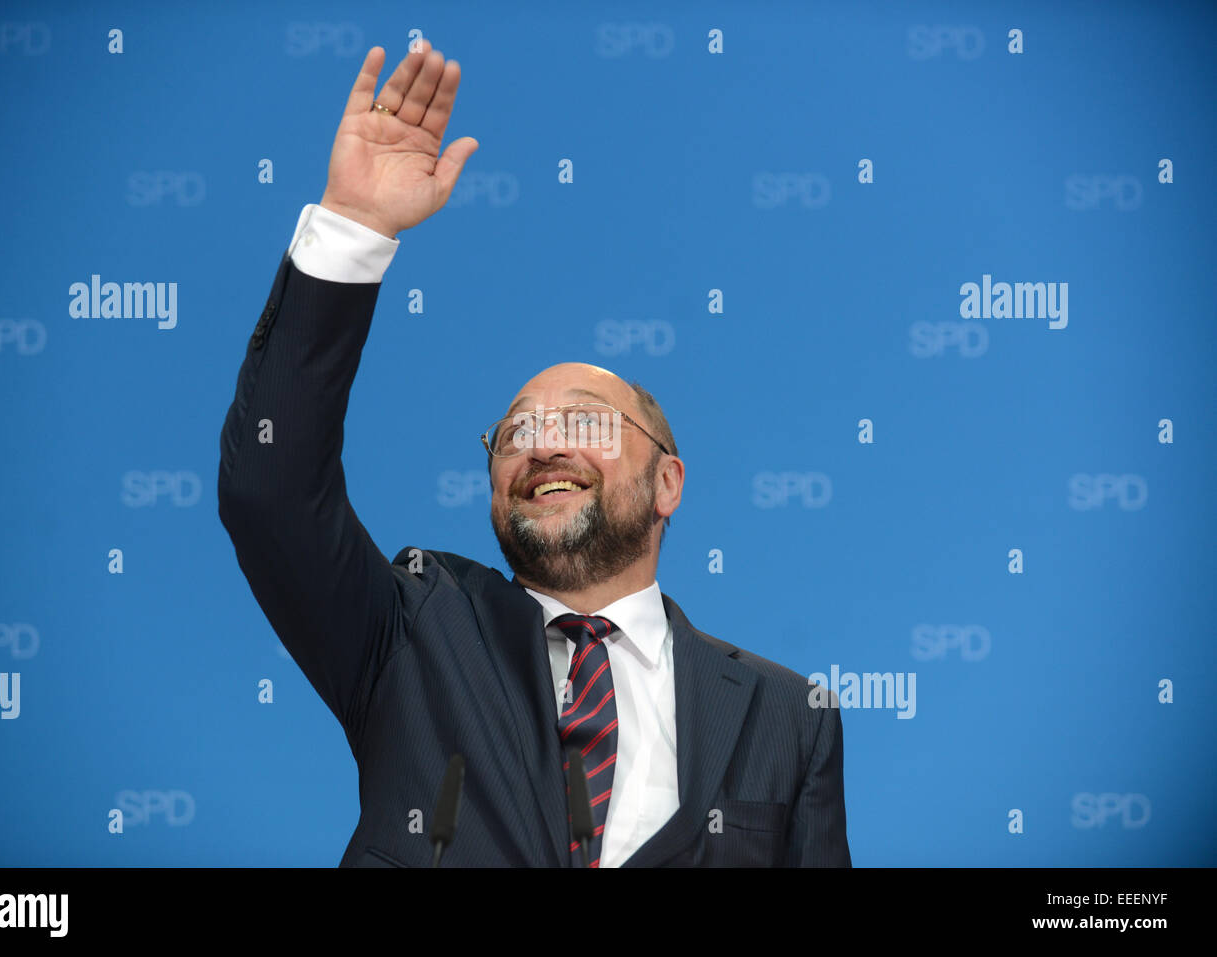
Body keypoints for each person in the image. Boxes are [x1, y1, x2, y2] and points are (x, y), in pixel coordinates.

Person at [218, 38, 852, 867]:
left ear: (669, 481)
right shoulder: (414, 632)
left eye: (585, 423)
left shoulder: (787, 714)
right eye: (516, 431)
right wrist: (355, 225)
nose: (544, 444)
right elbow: (270, 487)